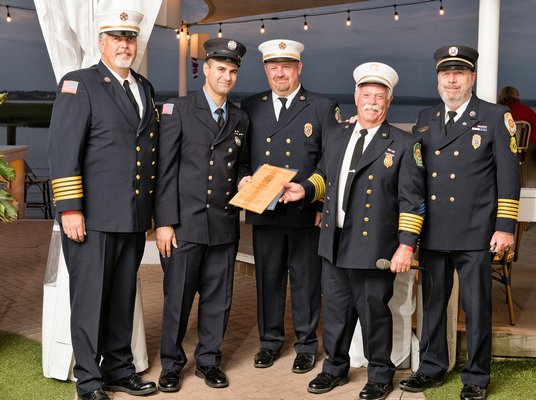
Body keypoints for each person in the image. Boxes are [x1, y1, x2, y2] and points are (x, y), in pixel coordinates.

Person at [280, 62, 426, 400]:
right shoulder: (337, 133)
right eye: (366, 94)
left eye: (379, 96)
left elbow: (412, 201)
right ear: (356, 97)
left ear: (389, 102)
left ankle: (379, 375)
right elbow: (323, 176)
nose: (372, 102)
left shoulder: (404, 144)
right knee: (335, 311)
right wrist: (305, 190)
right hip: (334, 240)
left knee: (374, 312)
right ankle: (334, 369)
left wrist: (406, 246)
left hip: (375, 246)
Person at [48, 10, 158, 400]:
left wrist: (150, 213)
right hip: (91, 217)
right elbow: (63, 151)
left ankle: (118, 369)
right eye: (116, 37)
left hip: (130, 217)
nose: (124, 44)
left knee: (121, 299)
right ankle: (89, 382)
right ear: (102, 43)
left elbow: (147, 152)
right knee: (90, 300)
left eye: (130, 37)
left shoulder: (143, 87)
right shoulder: (80, 84)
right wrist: (70, 209)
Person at [399, 45, 520, 400]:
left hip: (477, 233)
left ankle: (477, 378)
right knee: (433, 305)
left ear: (472, 77)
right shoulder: (425, 118)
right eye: (445, 74)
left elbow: (509, 177)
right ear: (438, 78)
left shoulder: (496, 117)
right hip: (435, 231)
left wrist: (505, 226)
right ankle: (432, 368)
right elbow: (415, 175)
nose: (451, 80)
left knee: (477, 307)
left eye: (459, 74)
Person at [238, 39, 340, 374]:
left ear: (298, 68)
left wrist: (317, 197)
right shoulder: (250, 106)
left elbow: (331, 162)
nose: (280, 73)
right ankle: (269, 343)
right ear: (266, 70)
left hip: (305, 211)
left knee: (306, 281)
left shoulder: (322, 107)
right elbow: (240, 159)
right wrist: (242, 179)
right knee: (268, 279)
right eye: (273, 67)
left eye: (286, 66)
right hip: (264, 210)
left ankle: (306, 344)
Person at [154, 38, 249, 392]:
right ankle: (171, 363)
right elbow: (163, 170)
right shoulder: (178, 110)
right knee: (177, 298)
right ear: (206, 69)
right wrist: (163, 222)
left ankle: (208, 361)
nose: (227, 76)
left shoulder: (239, 117)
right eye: (221, 69)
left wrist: (245, 178)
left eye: (233, 71)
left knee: (218, 299)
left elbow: (242, 164)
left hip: (223, 224)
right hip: (184, 224)